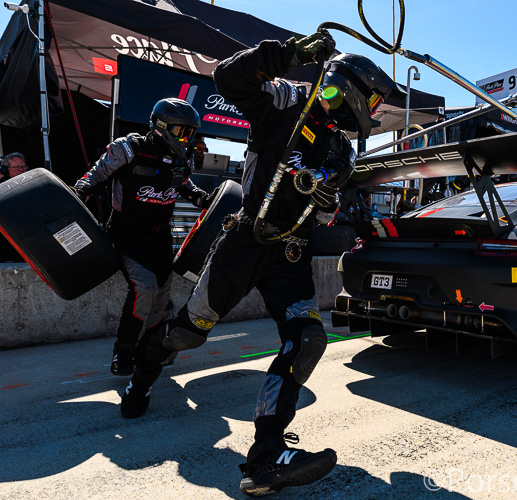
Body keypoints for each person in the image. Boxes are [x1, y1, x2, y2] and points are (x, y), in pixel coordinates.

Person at [120, 31, 400, 495]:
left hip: (291, 254)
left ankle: (266, 455)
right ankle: (143, 372)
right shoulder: (287, 102)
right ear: (353, 88)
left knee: (308, 338)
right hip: (244, 243)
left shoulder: (342, 152)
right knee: (189, 334)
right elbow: (227, 78)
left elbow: (325, 210)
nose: (372, 113)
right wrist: (288, 54)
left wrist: (326, 197)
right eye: (372, 101)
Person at [73, 98, 215, 376]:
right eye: (182, 131)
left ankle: (148, 350)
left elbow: (185, 184)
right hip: (126, 235)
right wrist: (79, 193)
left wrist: (201, 197)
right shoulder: (128, 149)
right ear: (162, 126)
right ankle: (122, 351)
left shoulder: (180, 158)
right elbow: (91, 179)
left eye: (191, 133)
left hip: (161, 237)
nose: (188, 139)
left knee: (161, 296)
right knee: (145, 287)